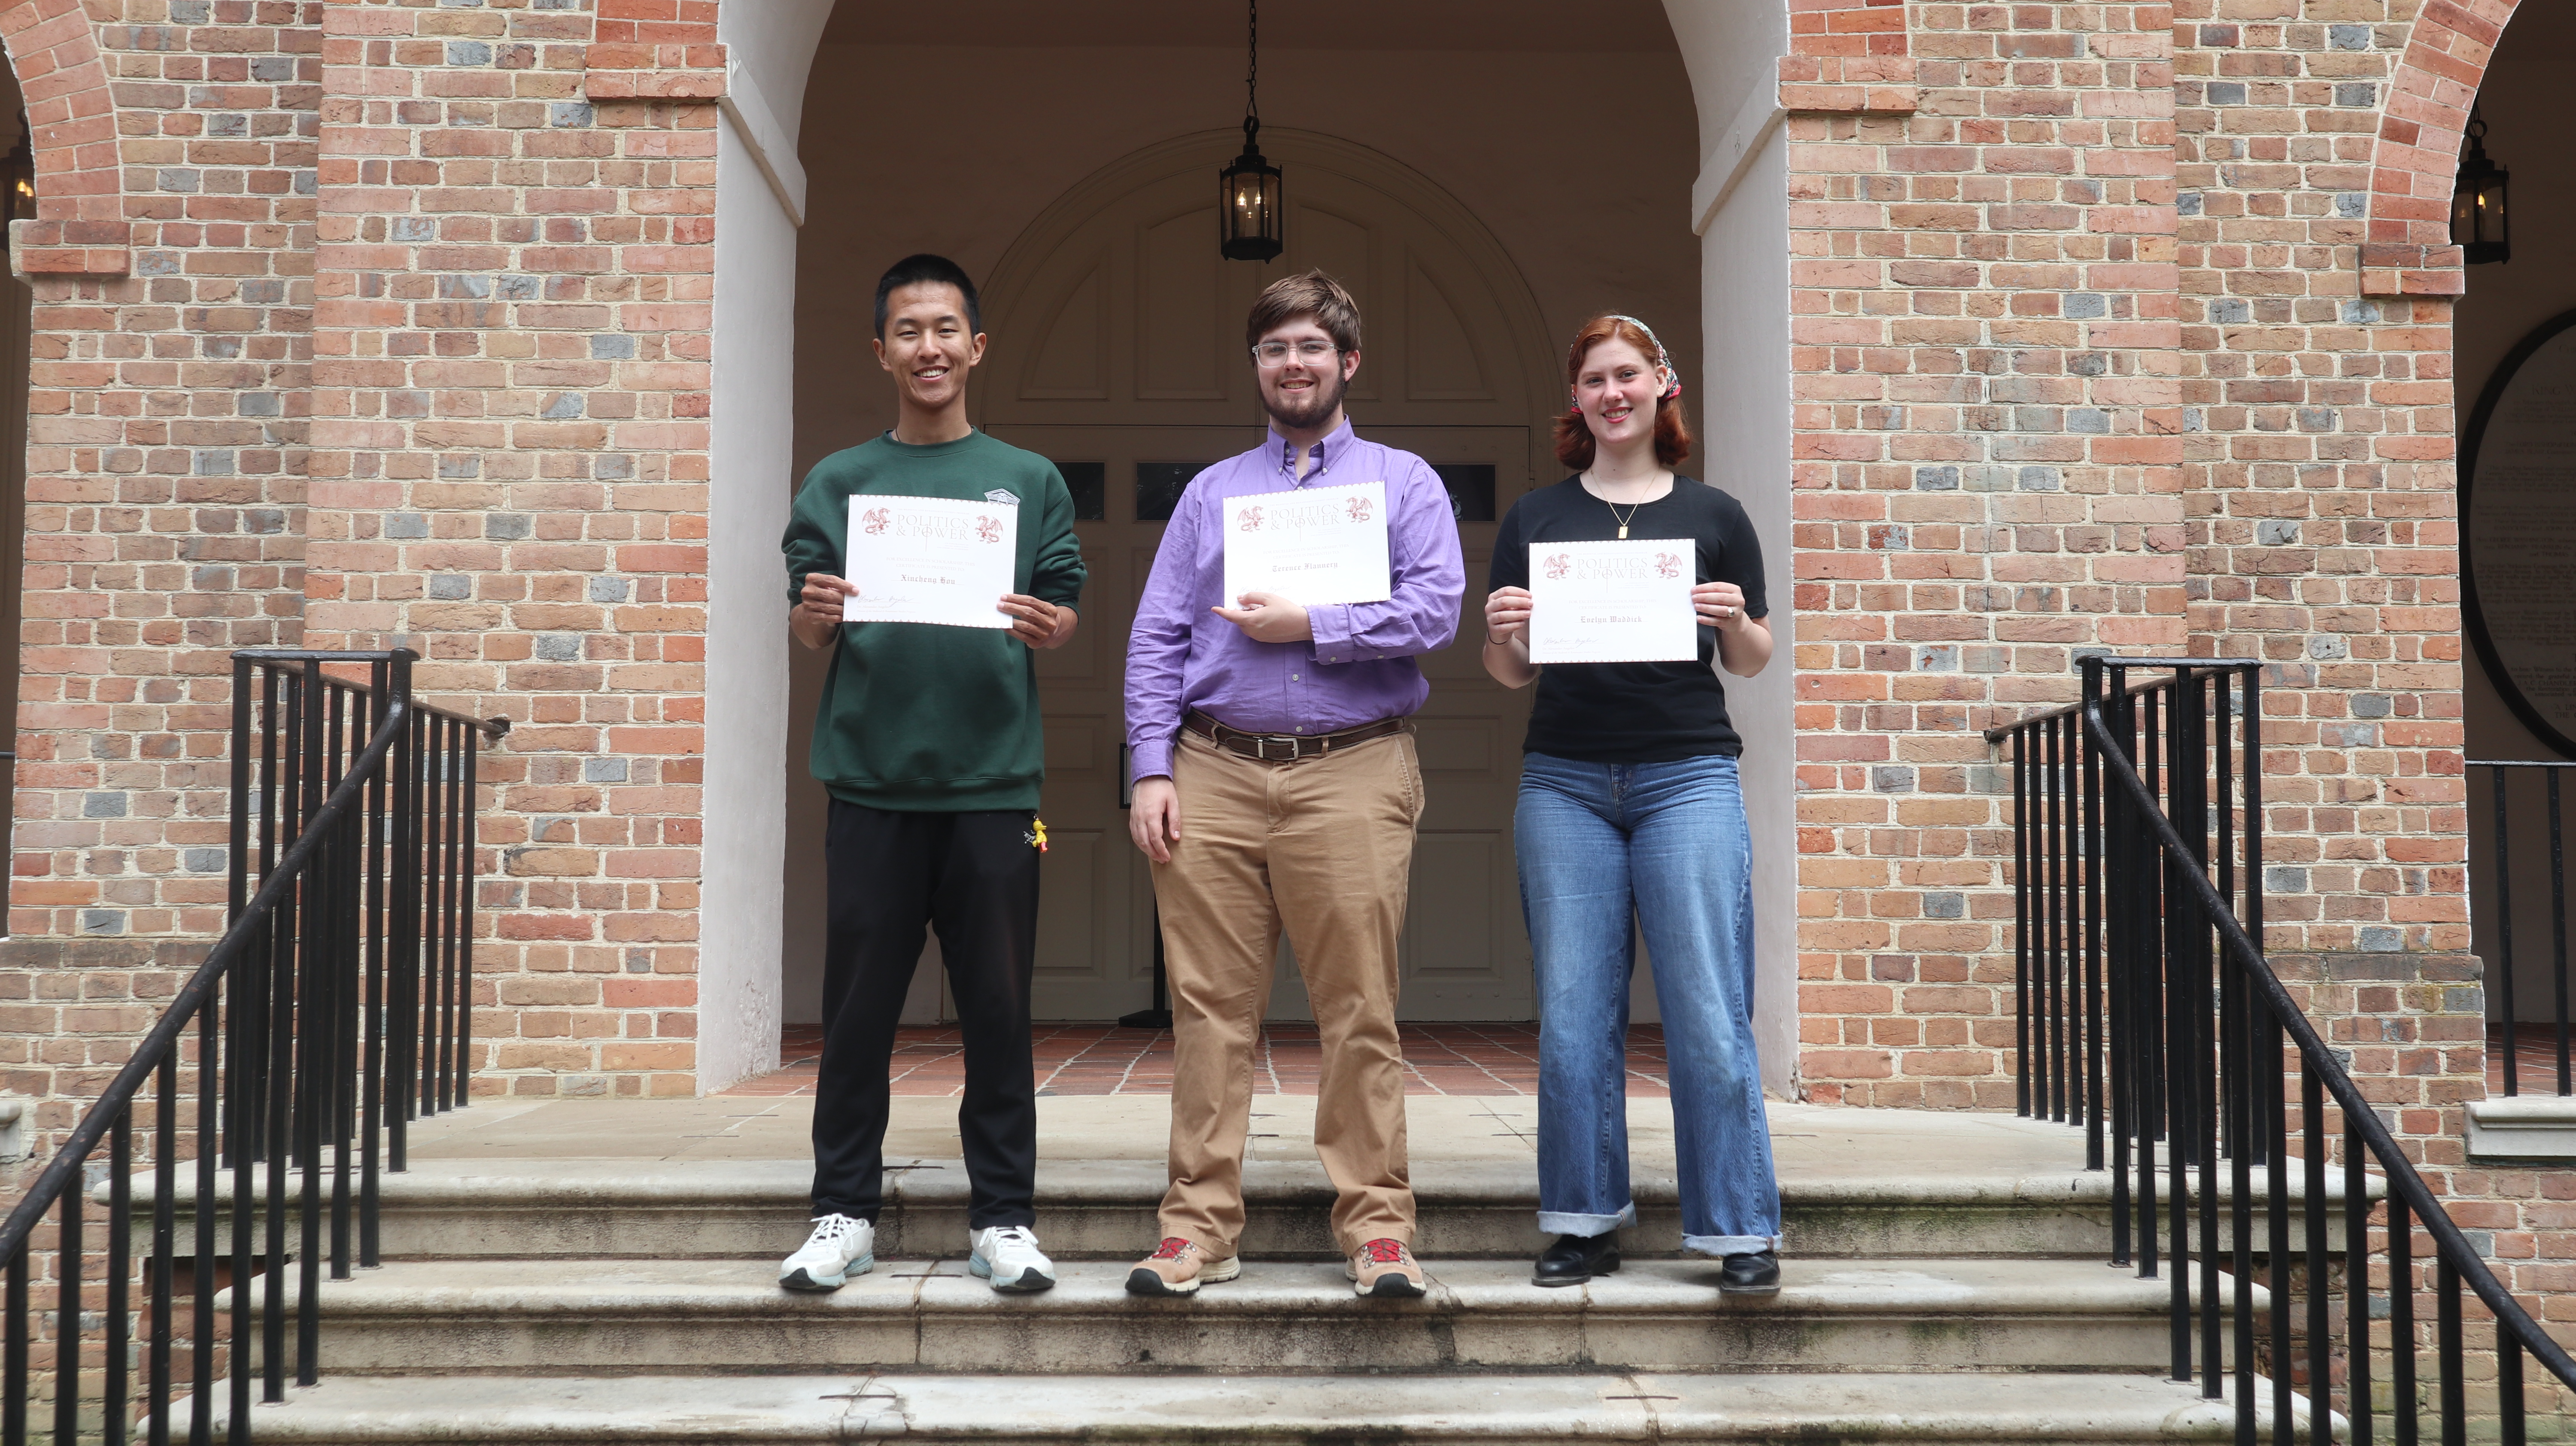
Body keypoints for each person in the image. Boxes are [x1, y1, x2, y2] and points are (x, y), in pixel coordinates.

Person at [1122, 270, 1464, 1299]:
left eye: (1313, 348)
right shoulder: (1211, 493)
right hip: (1213, 769)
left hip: (1353, 767)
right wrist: (1149, 764)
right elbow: (1157, 636)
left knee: (1359, 1007)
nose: (1294, 365)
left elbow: (1438, 608)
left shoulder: (1403, 483)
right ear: (1257, 367)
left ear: (1348, 362)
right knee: (1207, 1012)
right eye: (1275, 349)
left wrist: (1312, 623)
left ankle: (1378, 1230)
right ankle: (1196, 1229)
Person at [776, 254, 1086, 1295]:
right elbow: (809, 624)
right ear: (881, 350)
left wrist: (1054, 625)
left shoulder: (1029, 480)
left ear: (977, 346)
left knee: (999, 1011)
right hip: (870, 784)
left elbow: (1063, 602)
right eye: (908, 330)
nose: (930, 348)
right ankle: (841, 1212)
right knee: (857, 1014)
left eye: (947, 328)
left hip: (998, 792)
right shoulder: (838, 480)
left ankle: (1003, 1220)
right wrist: (812, 619)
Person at [1480, 314, 1782, 1297]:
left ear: (1664, 386)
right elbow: (1509, 673)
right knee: (1573, 1014)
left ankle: (1738, 1226)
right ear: (1578, 400)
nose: (1613, 393)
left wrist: (1734, 619)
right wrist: (1503, 630)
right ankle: (1579, 1221)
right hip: (1565, 778)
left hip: (1687, 773)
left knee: (1706, 1008)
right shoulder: (1534, 518)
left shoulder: (1716, 512)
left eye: (1629, 375)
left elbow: (1752, 657)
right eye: (1594, 380)